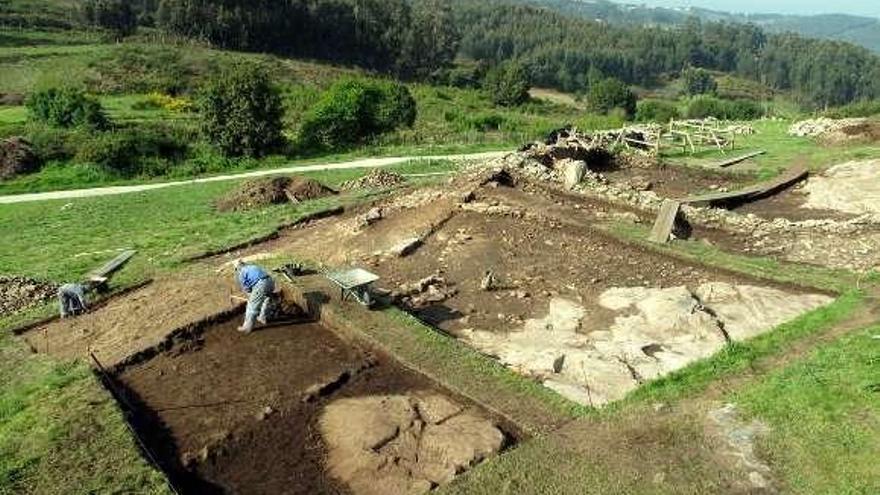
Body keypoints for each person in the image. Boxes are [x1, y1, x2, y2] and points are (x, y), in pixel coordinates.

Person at [234, 260, 276, 333]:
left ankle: (247, 327)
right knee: (266, 299)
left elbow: (247, 288)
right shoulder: (253, 266)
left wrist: (251, 297)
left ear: (237, 268)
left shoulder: (241, 273)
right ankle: (263, 317)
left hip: (261, 284)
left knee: (251, 306)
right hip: (270, 281)